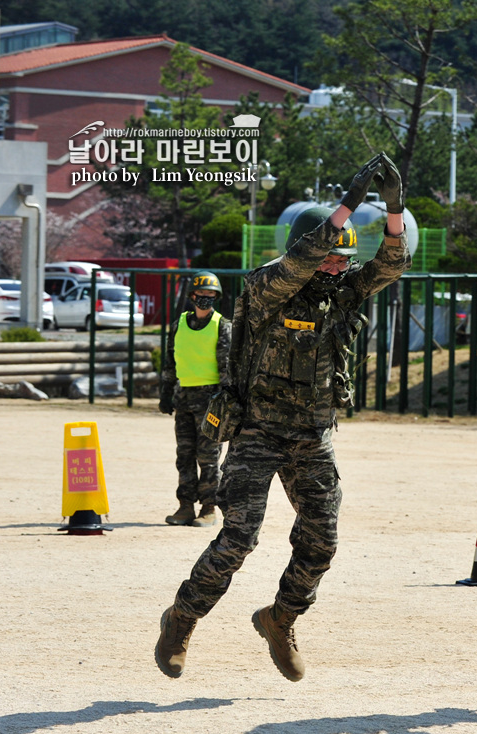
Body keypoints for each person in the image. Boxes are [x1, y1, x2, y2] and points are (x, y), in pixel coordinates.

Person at [155, 153, 410, 681]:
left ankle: (280, 617)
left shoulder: (342, 295)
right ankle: (181, 619)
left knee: (323, 539)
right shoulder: (266, 288)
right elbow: (299, 261)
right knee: (239, 537)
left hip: (311, 436)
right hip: (258, 432)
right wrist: (346, 205)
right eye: (332, 259)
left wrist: (392, 210)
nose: (340, 267)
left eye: (345, 260)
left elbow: (390, 265)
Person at [160, 271, 232, 527]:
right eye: (201, 295)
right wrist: (166, 391)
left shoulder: (222, 325)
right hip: (184, 398)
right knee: (185, 455)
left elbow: (227, 369)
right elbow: (171, 359)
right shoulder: (179, 324)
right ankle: (185, 506)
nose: (205, 299)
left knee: (209, 457)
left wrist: (227, 402)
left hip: (210, 401)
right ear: (192, 296)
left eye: (211, 295)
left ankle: (209, 508)